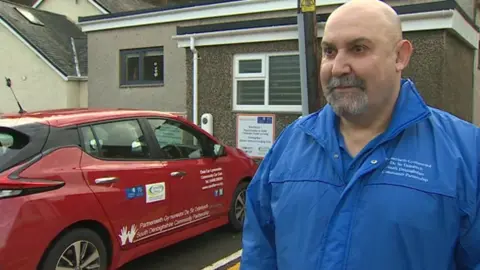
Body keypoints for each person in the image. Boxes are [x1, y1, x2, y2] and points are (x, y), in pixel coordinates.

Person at [240, 0, 480, 269]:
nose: (338, 67)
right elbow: (259, 253)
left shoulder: (467, 152)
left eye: (358, 49)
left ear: (400, 57)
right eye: (329, 51)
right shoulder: (289, 145)